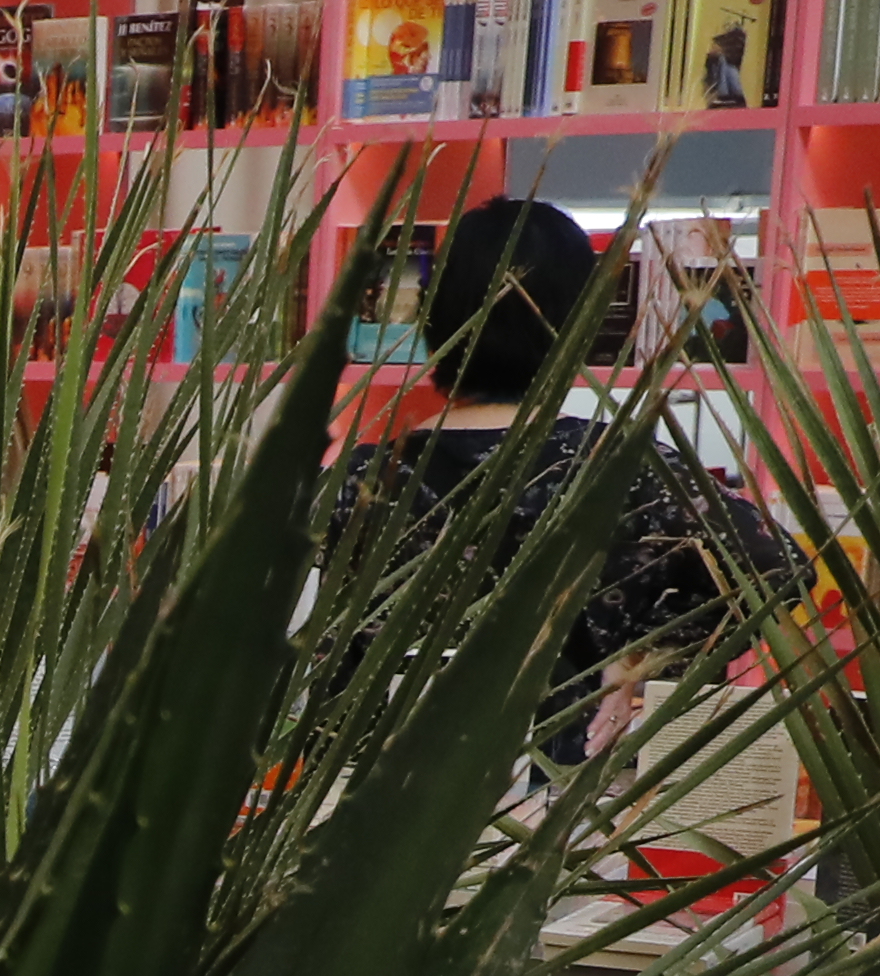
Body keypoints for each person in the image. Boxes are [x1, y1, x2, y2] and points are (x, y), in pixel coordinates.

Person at [316, 197, 803, 764]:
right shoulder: (623, 468)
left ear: (435, 316)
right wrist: (637, 664)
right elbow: (776, 568)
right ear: (581, 323)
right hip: (551, 810)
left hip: (369, 808)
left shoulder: (360, 480)